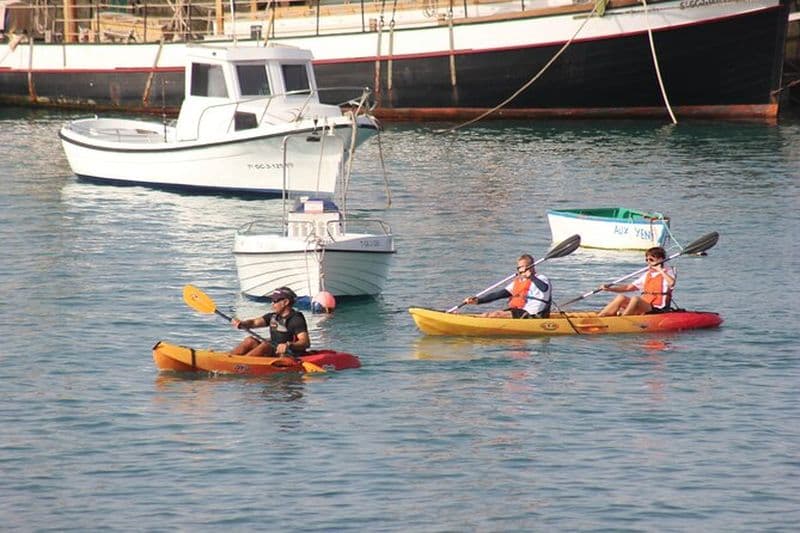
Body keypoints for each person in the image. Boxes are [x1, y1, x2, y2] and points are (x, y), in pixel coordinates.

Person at [463, 254, 551, 318]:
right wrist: (479, 300)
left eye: (524, 267)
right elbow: (499, 294)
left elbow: (544, 288)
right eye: (519, 267)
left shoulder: (541, 278)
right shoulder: (519, 281)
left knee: (495, 315)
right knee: (487, 315)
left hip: (533, 314)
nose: (521, 270)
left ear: (532, 267)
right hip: (519, 311)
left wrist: (531, 277)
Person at [230, 287, 310, 357]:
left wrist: (288, 345)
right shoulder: (273, 316)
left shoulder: (296, 319)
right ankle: (230, 359)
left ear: (286, 302)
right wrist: (242, 323)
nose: (272, 303)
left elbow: (305, 342)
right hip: (273, 352)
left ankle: (242, 364)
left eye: (275, 301)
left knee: (267, 344)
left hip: (288, 355)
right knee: (250, 341)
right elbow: (254, 322)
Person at [597, 246, 676, 316]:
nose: (648, 262)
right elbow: (628, 288)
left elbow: (671, 283)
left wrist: (660, 270)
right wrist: (610, 289)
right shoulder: (647, 274)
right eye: (647, 260)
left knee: (636, 299)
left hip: (658, 308)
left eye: (651, 260)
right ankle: (601, 316)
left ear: (660, 260)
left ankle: (623, 318)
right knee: (621, 297)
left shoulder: (668, 272)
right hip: (645, 305)